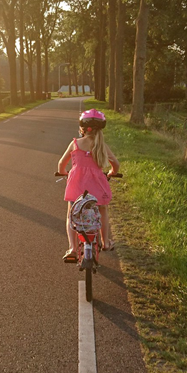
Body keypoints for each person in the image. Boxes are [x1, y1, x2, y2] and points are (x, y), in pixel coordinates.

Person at [56, 108, 120, 261]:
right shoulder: (101, 146)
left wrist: (65, 173)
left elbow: (61, 165)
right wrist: (112, 172)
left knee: (71, 213)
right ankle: (105, 243)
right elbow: (115, 164)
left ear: (82, 129)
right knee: (102, 209)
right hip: (97, 186)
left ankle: (72, 248)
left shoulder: (75, 144)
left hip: (76, 186)